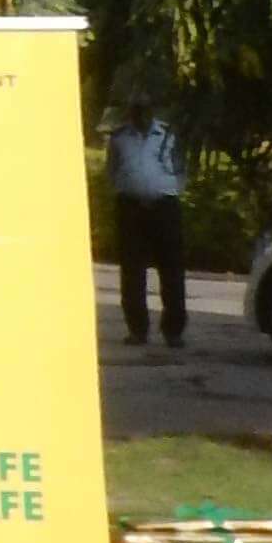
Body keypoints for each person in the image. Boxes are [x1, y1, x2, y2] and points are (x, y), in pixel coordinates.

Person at [108, 96, 189, 351]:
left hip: (164, 208)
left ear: (152, 111)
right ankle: (137, 329)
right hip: (131, 208)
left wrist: (168, 191)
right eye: (136, 110)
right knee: (132, 271)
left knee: (172, 270)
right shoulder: (119, 138)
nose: (141, 115)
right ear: (130, 112)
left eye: (145, 110)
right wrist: (128, 191)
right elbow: (112, 169)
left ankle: (173, 331)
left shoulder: (167, 135)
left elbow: (181, 168)